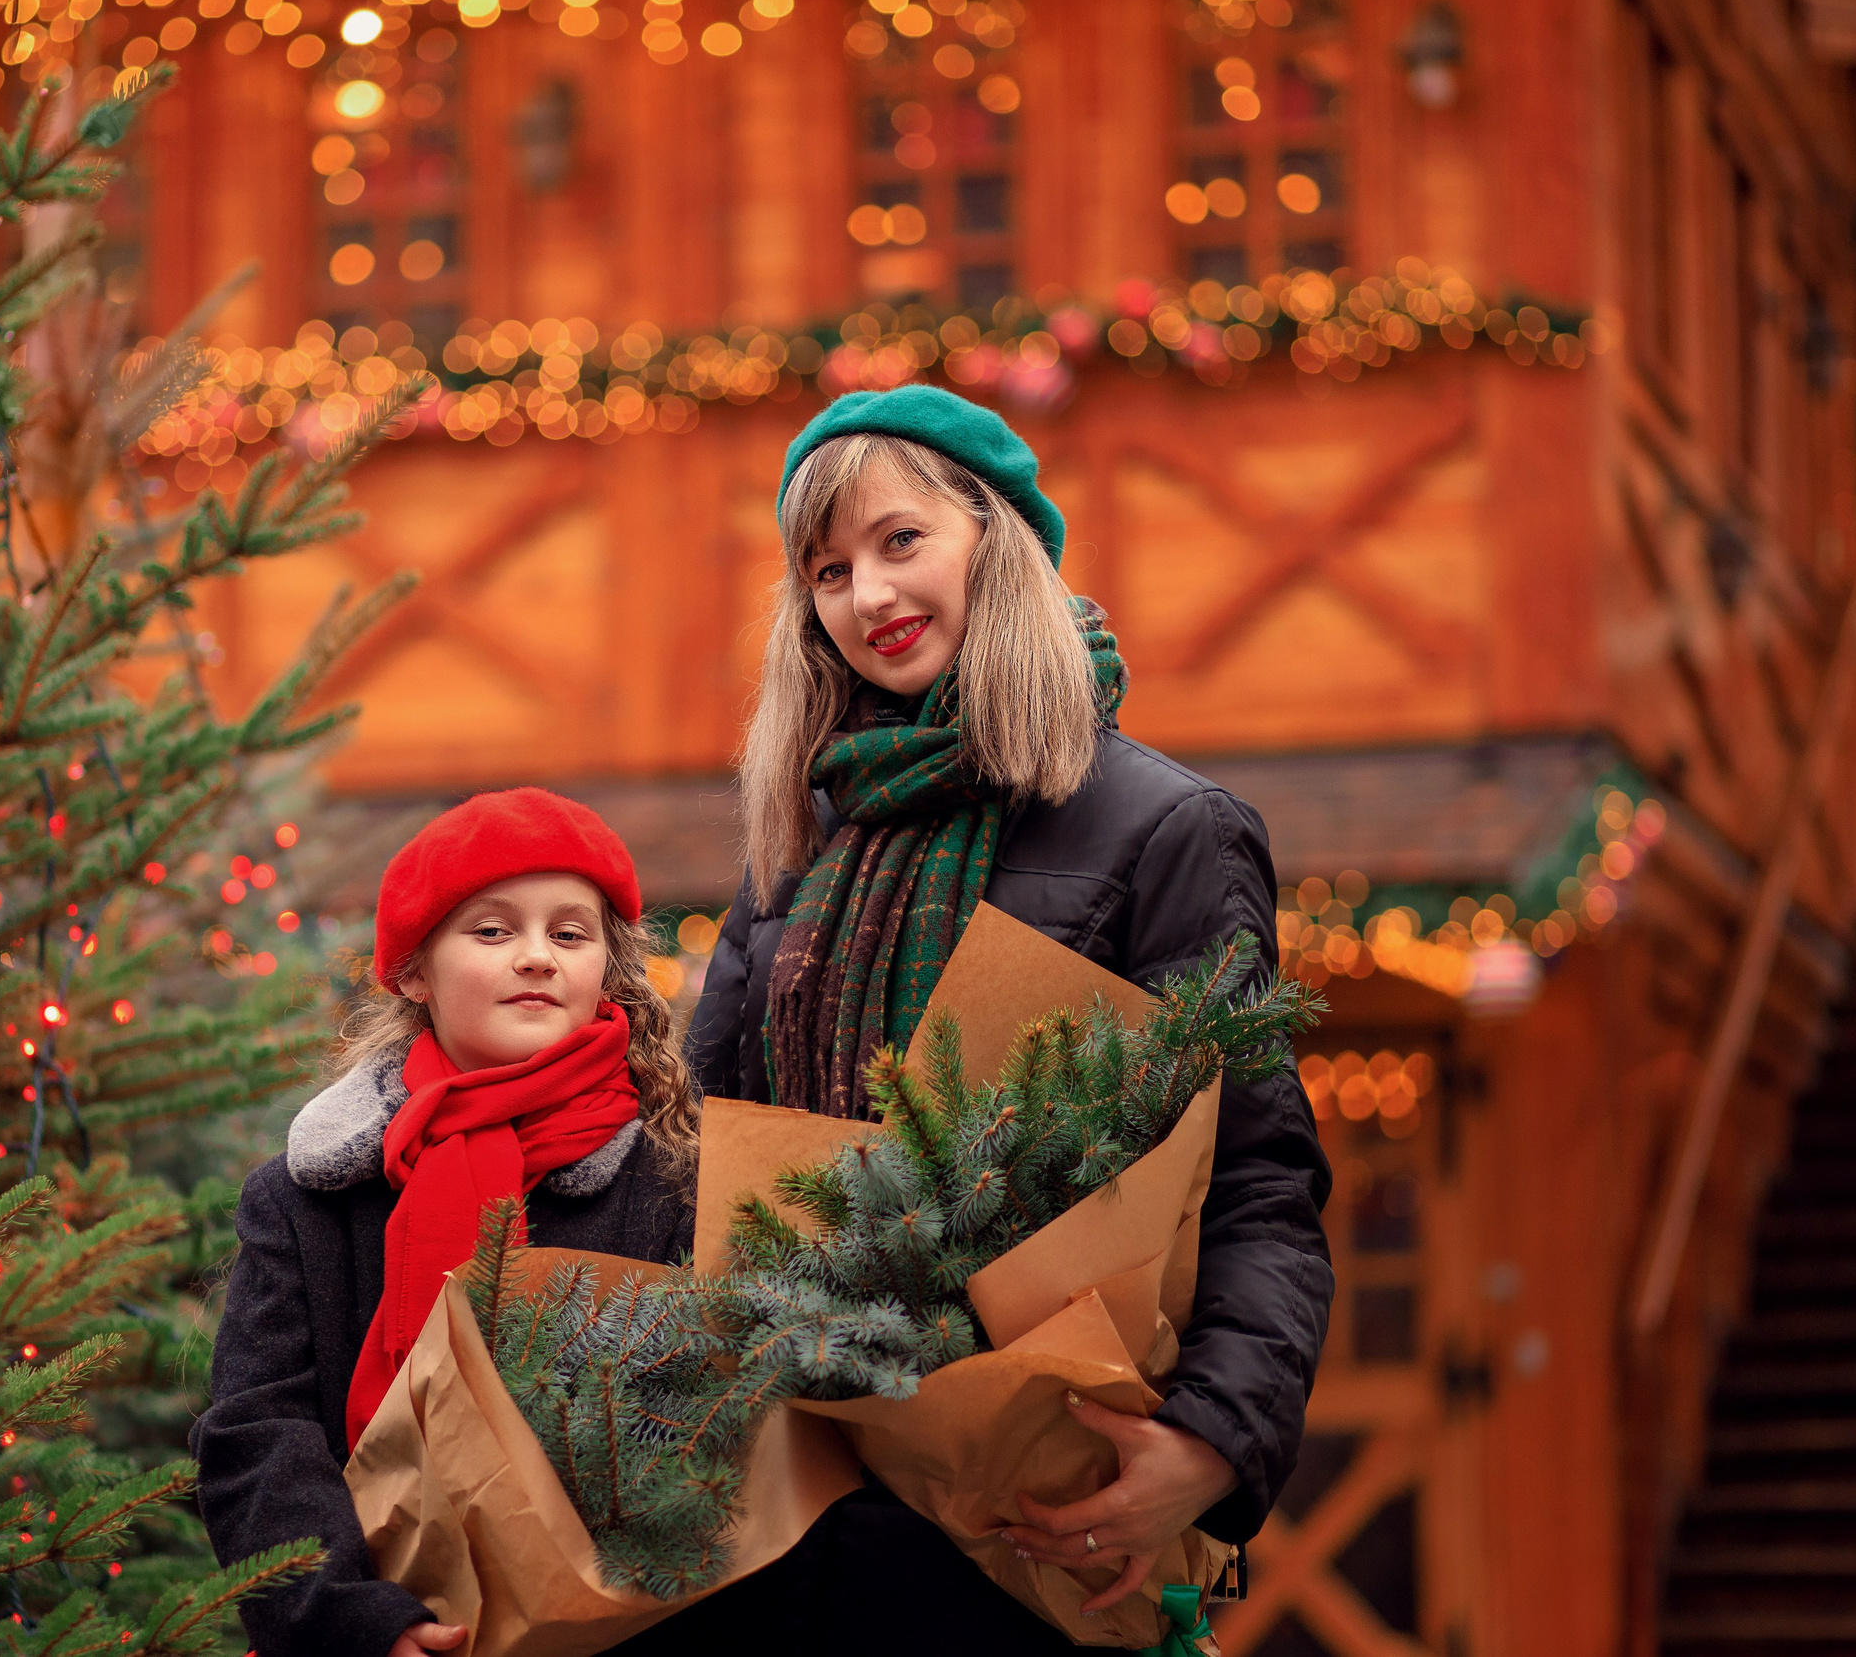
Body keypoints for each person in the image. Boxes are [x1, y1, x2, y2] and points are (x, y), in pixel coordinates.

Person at [688, 386, 1335, 1643]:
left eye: (900, 542)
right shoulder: (794, 851)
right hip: (805, 1503)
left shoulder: (1163, 830)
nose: (867, 597)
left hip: (1045, 1508)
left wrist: (1215, 1439)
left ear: (999, 538)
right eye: (827, 571)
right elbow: (697, 1154)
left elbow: (1257, 1177)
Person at [191, 788, 700, 1657]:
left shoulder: (675, 1177)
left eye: (569, 934)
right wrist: (358, 1623)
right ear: (414, 972)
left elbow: (710, 1420)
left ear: (606, 971)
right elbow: (259, 1432)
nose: (536, 956)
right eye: (493, 931)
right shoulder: (307, 1196)